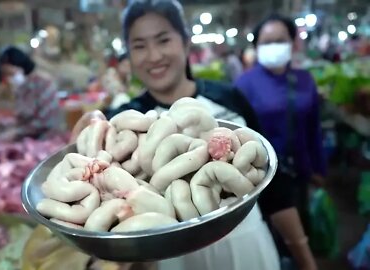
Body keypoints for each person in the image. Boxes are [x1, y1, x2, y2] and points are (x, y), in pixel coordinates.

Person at [70, 1, 317, 270]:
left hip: (247, 246)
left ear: (186, 43)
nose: (153, 56)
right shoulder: (126, 121)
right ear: (129, 56)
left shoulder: (228, 99)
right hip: (173, 260)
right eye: (139, 46)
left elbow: (274, 190)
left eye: (163, 40)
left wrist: (305, 259)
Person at [235, 14, 327, 265]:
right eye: (267, 42)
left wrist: (319, 168)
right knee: (271, 238)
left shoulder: (304, 80)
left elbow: (313, 128)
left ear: (292, 43)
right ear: (256, 47)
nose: (274, 46)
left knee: (299, 233)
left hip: (299, 171)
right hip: (261, 177)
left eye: (280, 40)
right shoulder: (243, 85)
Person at [0, 46, 64, 141]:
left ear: (20, 66)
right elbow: (22, 117)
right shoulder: (21, 88)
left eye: (10, 73)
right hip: (28, 141)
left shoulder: (43, 83)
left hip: (47, 141)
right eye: (6, 75)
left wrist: (17, 132)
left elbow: (46, 121)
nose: (8, 78)